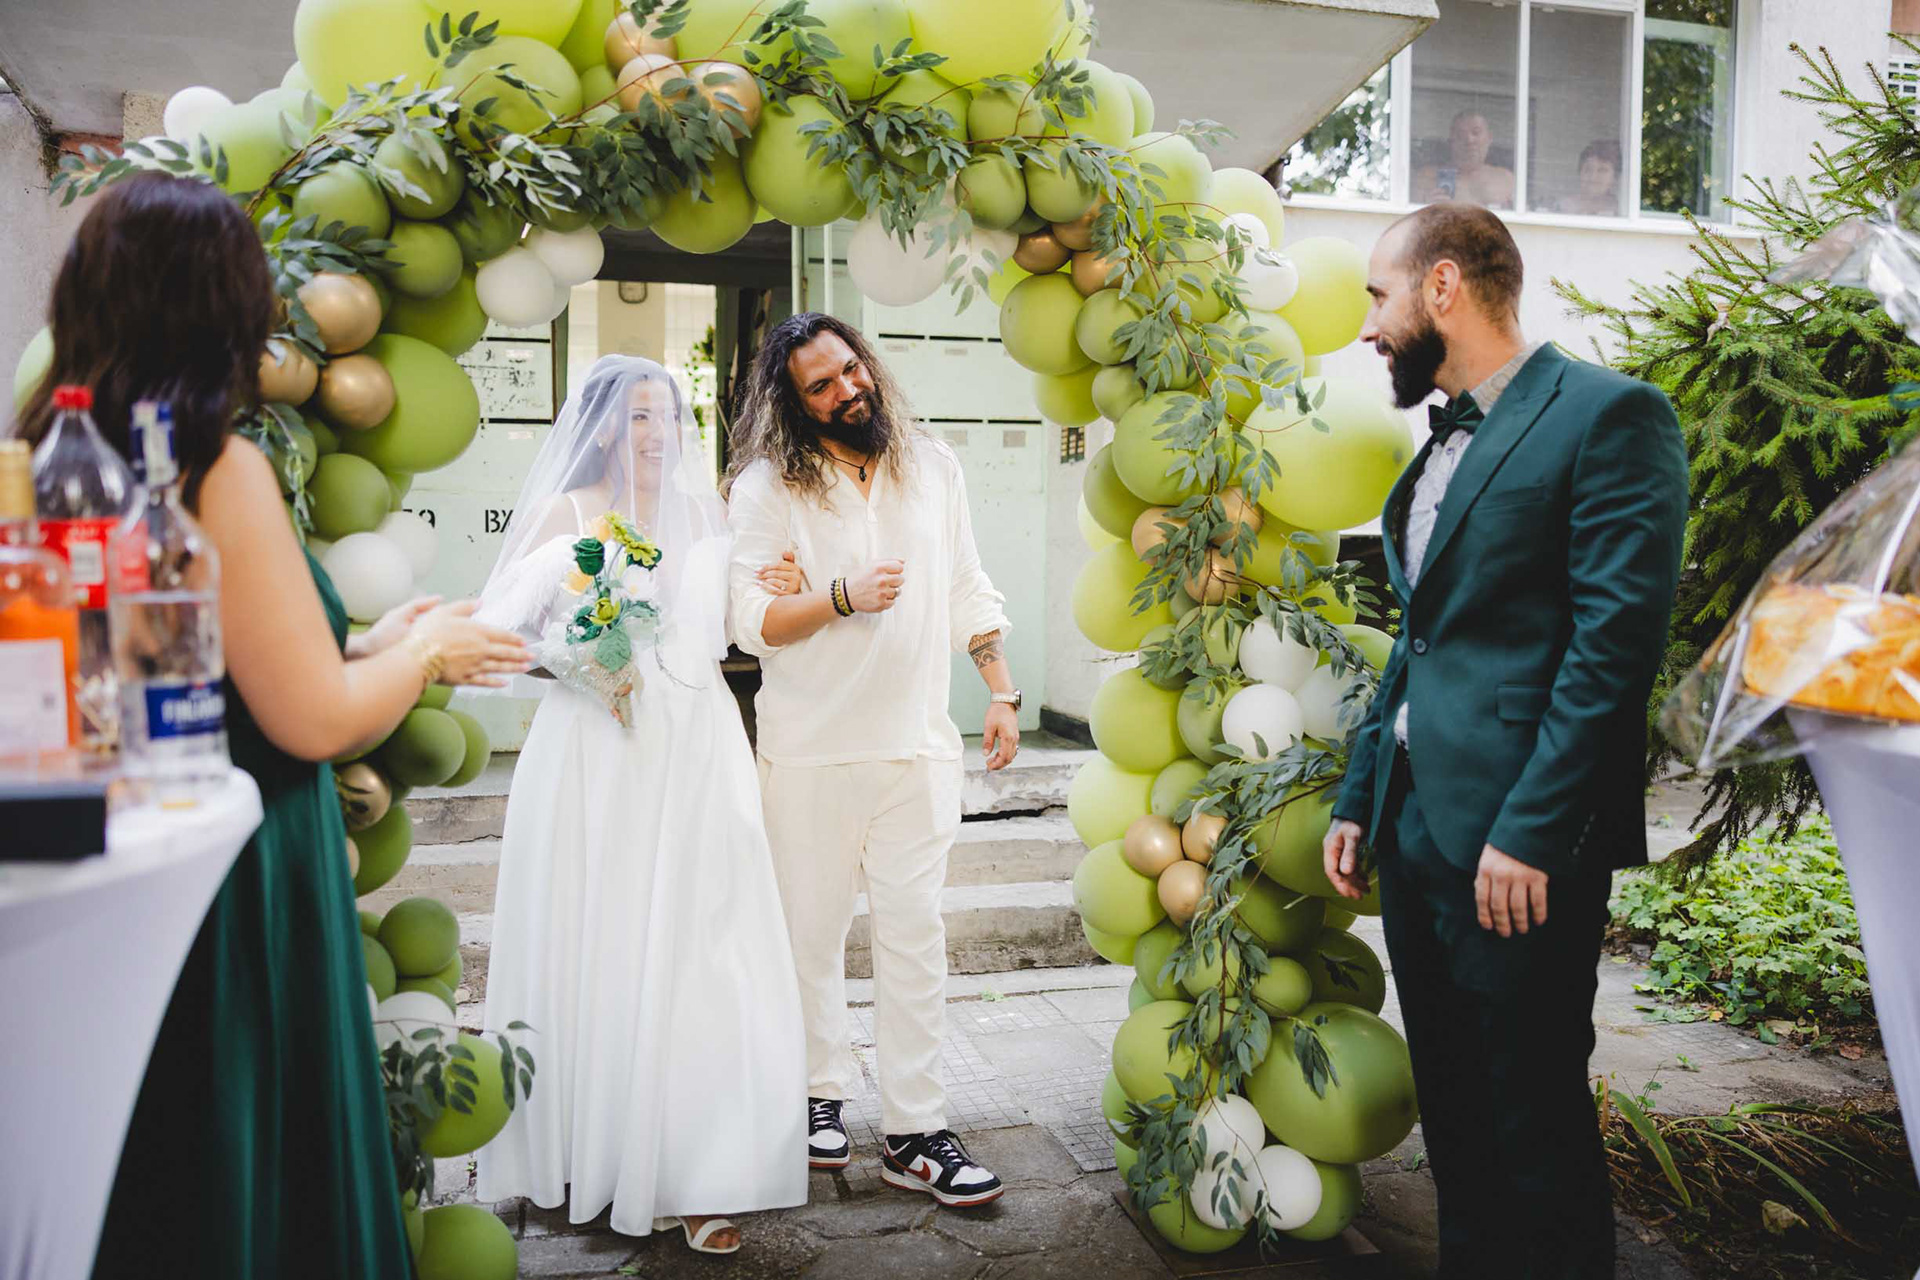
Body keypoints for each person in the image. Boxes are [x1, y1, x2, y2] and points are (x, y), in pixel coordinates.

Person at [9, 172, 531, 1279]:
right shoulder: (217, 461)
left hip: (117, 863)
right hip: (234, 874)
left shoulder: (53, 455)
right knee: (239, 1160)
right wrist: (425, 656)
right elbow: (308, 720)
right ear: (222, 305)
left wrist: (370, 639)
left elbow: (193, 664)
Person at [1321, 203, 1687, 1279]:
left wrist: (1532, 830)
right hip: (1417, 828)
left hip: (1518, 843)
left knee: (1533, 1117)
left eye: (1378, 296)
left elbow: (1613, 649)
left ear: (1443, 285)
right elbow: (1420, 641)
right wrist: (1359, 794)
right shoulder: (1436, 443)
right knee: (1455, 1111)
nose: (1368, 326)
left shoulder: (1611, 416)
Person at [471, 355, 809, 1254]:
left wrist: (776, 589)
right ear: (602, 430)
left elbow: (735, 623)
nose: (657, 434)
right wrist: (583, 661)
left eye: (666, 415)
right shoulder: (565, 514)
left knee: (707, 945)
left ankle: (698, 1168)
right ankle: (599, 1153)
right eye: (637, 418)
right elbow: (501, 634)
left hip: (698, 744)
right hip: (596, 753)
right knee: (605, 937)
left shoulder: (709, 514)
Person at [725, 313, 1019, 1208]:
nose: (847, 390)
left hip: (917, 747)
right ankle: (817, 1093)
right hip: (809, 753)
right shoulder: (768, 486)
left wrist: (1001, 691)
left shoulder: (932, 466)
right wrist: (839, 597)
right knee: (808, 938)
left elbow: (965, 582)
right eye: (821, 385)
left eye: (851, 369)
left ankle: (914, 1131)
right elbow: (749, 621)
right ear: (792, 402)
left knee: (914, 940)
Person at [1413, 110, 1516, 209]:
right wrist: (1425, 205)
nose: (1469, 140)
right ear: (1451, 141)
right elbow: (1411, 215)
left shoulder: (1506, 179)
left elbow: (1522, 213)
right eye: (1460, 134)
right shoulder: (1427, 177)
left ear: (1489, 138)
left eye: (1476, 133)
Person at [1555, 139, 1622, 217]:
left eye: (1602, 170)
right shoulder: (1563, 207)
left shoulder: (1622, 210)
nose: (1593, 177)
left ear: (1615, 177)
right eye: (1588, 169)